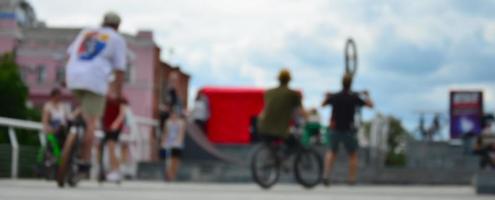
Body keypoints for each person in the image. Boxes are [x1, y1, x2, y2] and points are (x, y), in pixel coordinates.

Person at [65, 11, 127, 175]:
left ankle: (71, 126)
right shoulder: (116, 39)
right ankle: (84, 161)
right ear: (118, 26)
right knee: (92, 122)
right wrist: (117, 93)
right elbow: (119, 70)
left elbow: (70, 53)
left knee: (83, 108)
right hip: (95, 80)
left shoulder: (87, 32)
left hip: (73, 75)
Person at [321, 73, 373, 186]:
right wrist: (367, 95)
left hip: (335, 128)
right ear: (351, 84)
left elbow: (323, 104)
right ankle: (352, 179)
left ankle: (326, 175)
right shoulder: (353, 97)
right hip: (348, 129)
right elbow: (370, 105)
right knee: (353, 154)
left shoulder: (336, 96)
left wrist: (327, 95)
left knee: (331, 152)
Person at [257, 68, 304, 147]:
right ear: (289, 80)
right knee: (294, 145)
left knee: (273, 146)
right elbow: (300, 111)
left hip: (262, 127)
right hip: (280, 130)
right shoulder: (292, 94)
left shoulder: (268, 92)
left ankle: (275, 156)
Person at [101, 81, 128, 182]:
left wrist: (116, 124)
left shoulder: (121, 98)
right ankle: (114, 169)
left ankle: (115, 170)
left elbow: (122, 113)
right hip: (106, 126)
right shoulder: (106, 97)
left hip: (115, 127)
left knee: (112, 147)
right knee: (108, 148)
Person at [41, 88, 71, 164]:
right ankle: (52, 158)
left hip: (62, 129)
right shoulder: (48, 106)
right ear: (53, 96)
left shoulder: (62, 106)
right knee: (53, 139)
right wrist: (47, 129)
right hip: (54, 129)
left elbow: (67, 118)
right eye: (57, 96)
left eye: (59, 96)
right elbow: (45, 121)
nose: (58, 98)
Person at [160, 109, 186, 181]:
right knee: (168, 160)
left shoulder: (181, 122)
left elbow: (181, 133)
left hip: (177, 144)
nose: (173, 116)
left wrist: (179, 141)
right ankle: (169, 175)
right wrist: (163, 141)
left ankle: (173, 174)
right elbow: (165, 132)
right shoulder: (168, 122)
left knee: (176, 160)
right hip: (169, 143)